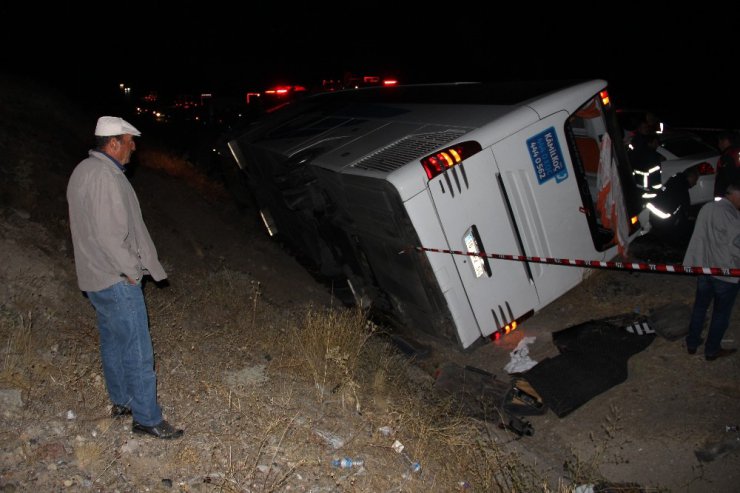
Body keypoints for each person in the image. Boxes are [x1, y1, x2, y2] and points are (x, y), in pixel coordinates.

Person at [66, 116, 183, 439]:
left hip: (94, 275)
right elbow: (109, 234)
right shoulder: (105, 177)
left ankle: (122, 402)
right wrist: (131, 271)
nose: (134, 148)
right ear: (113, 143)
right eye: (130, 142)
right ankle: (146, 418)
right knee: (136, 348)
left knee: (114, 341)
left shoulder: (83, 170)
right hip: (115, 277)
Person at [683, 177, 740, 361]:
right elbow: (736, 245)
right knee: (720, 313)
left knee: (700, 307)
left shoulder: (707, 208)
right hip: (725, 273)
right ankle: (711, 350)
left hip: (705, 269)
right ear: (734, 195)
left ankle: (692, 343)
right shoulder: (732, 216)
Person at [646, 166, 699, 243]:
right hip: (662, 221)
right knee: (685, 229)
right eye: (695, 180)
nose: (695, 183)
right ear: (690, 177)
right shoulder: (682, 186)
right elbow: (685, 208)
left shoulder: (675, 179)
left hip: (653, 216)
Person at [713, 130, 740, 198]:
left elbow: (724, 179)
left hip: (732, 196)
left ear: (726, 141)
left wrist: (719, 196)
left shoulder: (728, 156)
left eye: (719, 142)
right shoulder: (736, 153)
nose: (719, 145)